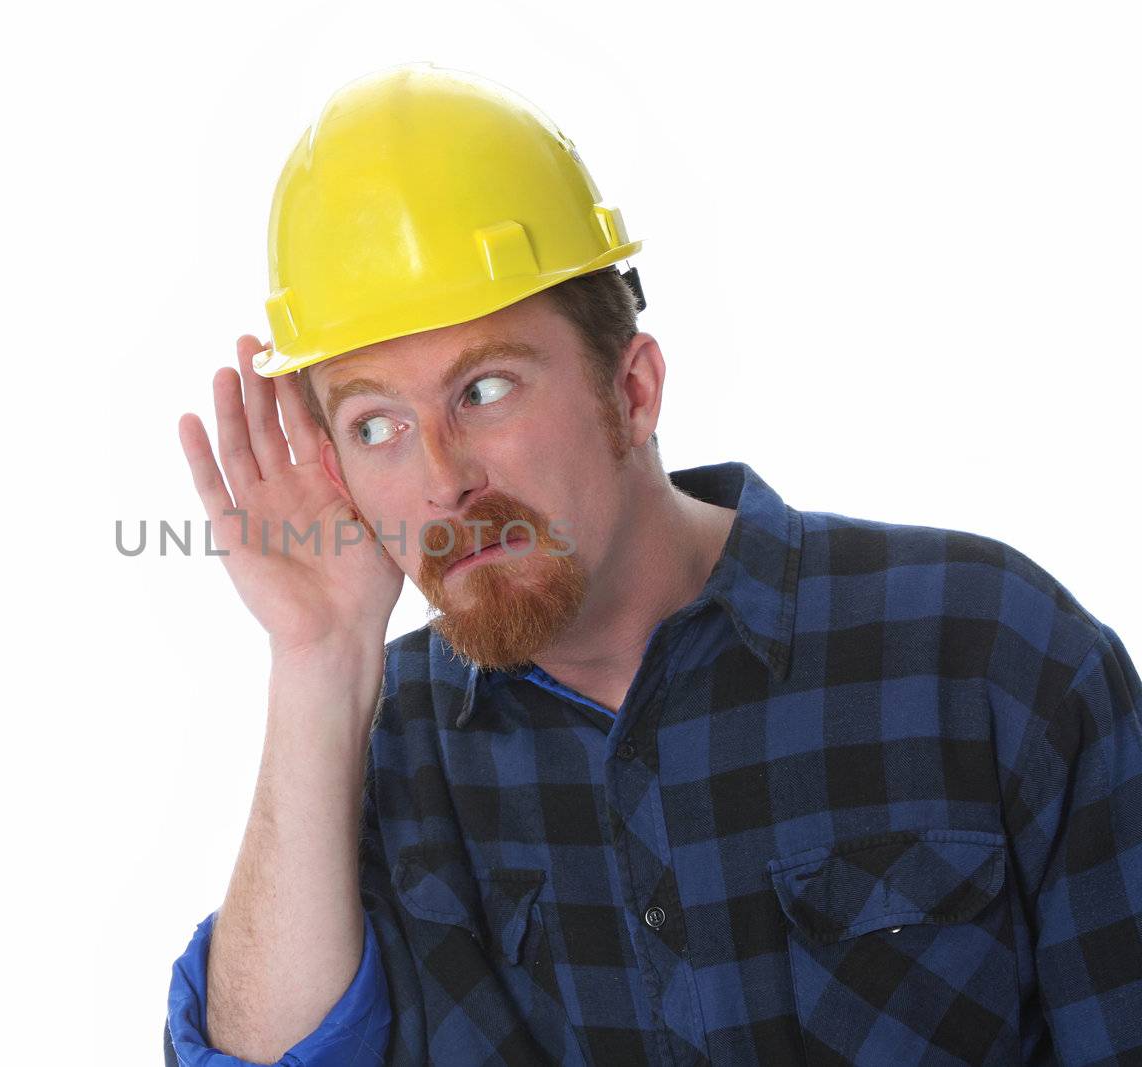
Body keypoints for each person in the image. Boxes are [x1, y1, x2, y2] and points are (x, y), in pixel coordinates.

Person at [162, 62, 1142, 1065]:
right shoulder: (381, 751)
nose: (440, 477)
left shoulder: (986, 652)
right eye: (376, 423)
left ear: (630, 391)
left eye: (485, 388)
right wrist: (319, 653)